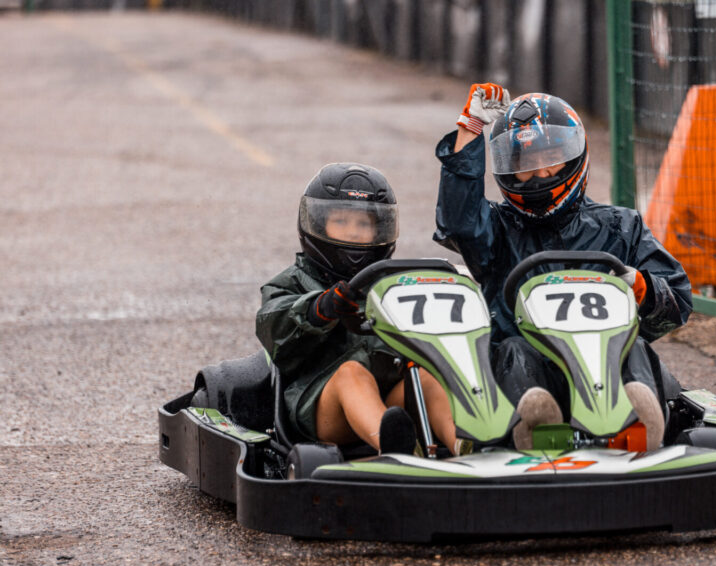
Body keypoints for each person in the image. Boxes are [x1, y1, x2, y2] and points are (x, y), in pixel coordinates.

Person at [434, 84, 693, 450]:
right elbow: (457, 221)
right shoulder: (496, 229)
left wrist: (639, 286)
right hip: (528, 371)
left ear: (574, 154)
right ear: (507, 169)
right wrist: (471, 127)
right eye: (523, 165)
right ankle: (535, 425)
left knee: (632, 348)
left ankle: (638, 424)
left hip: (605, 367)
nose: (538, 174)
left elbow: (676, 301)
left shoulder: (621, 227)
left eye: (551, 157)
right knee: (511, 350)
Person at [257, 162, 459, 455]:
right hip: (324, 408)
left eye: (363, 224)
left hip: (391, 401)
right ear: (316, 223)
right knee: (351, 372)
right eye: (341, 221)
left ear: (381, 231)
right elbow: (273, 327)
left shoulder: (392, 284)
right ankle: (396, 450)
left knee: (430, 375)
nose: (352, 232)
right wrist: (320, 307)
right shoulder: (290, 283)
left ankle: (467, 445)